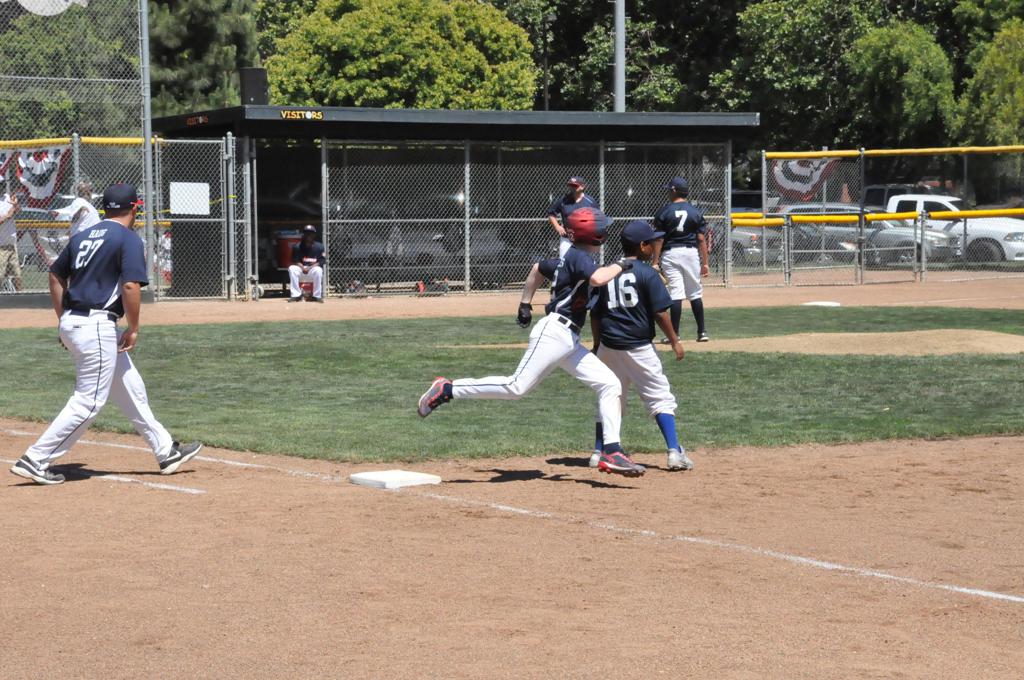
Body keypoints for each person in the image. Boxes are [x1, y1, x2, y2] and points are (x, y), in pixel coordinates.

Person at [417, 207, 646, 477]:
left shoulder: (574, 257)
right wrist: (622, 264)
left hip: (568, 339)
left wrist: (525, 302)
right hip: (554, 333)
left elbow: (539, 268)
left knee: (609, 384)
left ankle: (612, 451)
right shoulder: (579, 256)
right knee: (516, 387)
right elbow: (597, 278)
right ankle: (448, 389)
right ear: (595, 234)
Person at [9, 183, 202, 486]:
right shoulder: (127, 238)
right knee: (88, 402)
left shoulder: (83, 236)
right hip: (96, 325)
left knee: (128, 384)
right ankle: (36, 458)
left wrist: (64, 319)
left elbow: (55, 274)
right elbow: (130, 286)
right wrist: (134, 328)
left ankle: (166, 450)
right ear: (134, 209)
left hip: (77, 322)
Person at [588, 220, 693, 472]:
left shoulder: (607, 271)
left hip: (609, 346)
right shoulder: (647, 273)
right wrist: (675, 340)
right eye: (652, 242)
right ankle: (674, 452)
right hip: (639, 347)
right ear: (642, 246)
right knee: (659, 396)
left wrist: (597, 344)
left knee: (609, 396)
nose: (655, 246)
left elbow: (595, 314)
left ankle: (598, 451)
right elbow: (660, 312)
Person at [651, 176, 710, 342]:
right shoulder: (695, 211)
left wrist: (655, 262)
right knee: (695, 292)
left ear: (674, 190)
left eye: (669, 189)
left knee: (676, 293)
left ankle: (674, 335)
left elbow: (659, 239)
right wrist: (705, 263)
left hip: (671, 254)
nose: (668, 192)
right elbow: (701, 239)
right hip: (691, 253)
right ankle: (702, 332)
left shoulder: (664, 211)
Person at [547, 176, 599, 257]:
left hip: (584, 240)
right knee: (564, 262)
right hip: (567, 239)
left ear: (582, 186)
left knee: (582, 263)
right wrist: (557, 227)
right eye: (571, 185)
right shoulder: (563, 200)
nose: (572, 188)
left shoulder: (590, 201)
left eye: (575, 186)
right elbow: (551, 214)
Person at [288, 224, 326, 302]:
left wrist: (310, 268)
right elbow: (295, 260)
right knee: (292, 268)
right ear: (303, 234)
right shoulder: (297, 246)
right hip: (301, 270)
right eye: (306, 233)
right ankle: (296, 295)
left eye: (311, 233)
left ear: (314, 235)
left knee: (318, 270)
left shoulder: (319, 247)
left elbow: (322, 261)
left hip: (312, 270)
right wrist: (303, 268)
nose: (308, 235)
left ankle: (316, 296)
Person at [0, 188, 23, 291]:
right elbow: (8, 215)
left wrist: (15, 205)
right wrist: (7, 216)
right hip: (1, 247)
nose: (2, 187)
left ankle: (20, 297)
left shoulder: (7, 197)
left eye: (2, 184)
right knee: (0, 276)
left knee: (17, 275)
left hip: (12, 245)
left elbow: (19, 211)